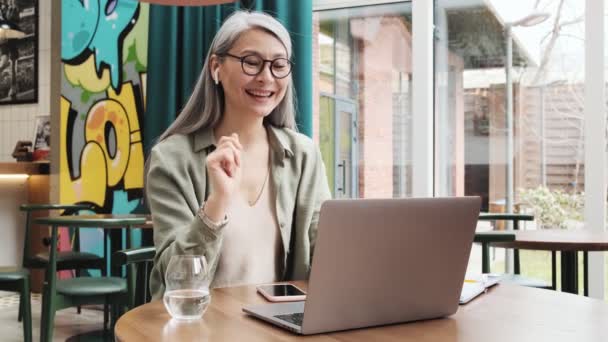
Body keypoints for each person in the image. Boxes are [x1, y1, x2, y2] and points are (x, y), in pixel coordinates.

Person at [146, 11, 331, 299]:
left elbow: (327, 252)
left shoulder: (304, 155)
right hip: (201, 329)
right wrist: (216, 203)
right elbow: (177, 283)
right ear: (216, 67)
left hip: (280, 330)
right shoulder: (172, 159)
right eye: (251, 62)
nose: (266, 77)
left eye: (278, 65)